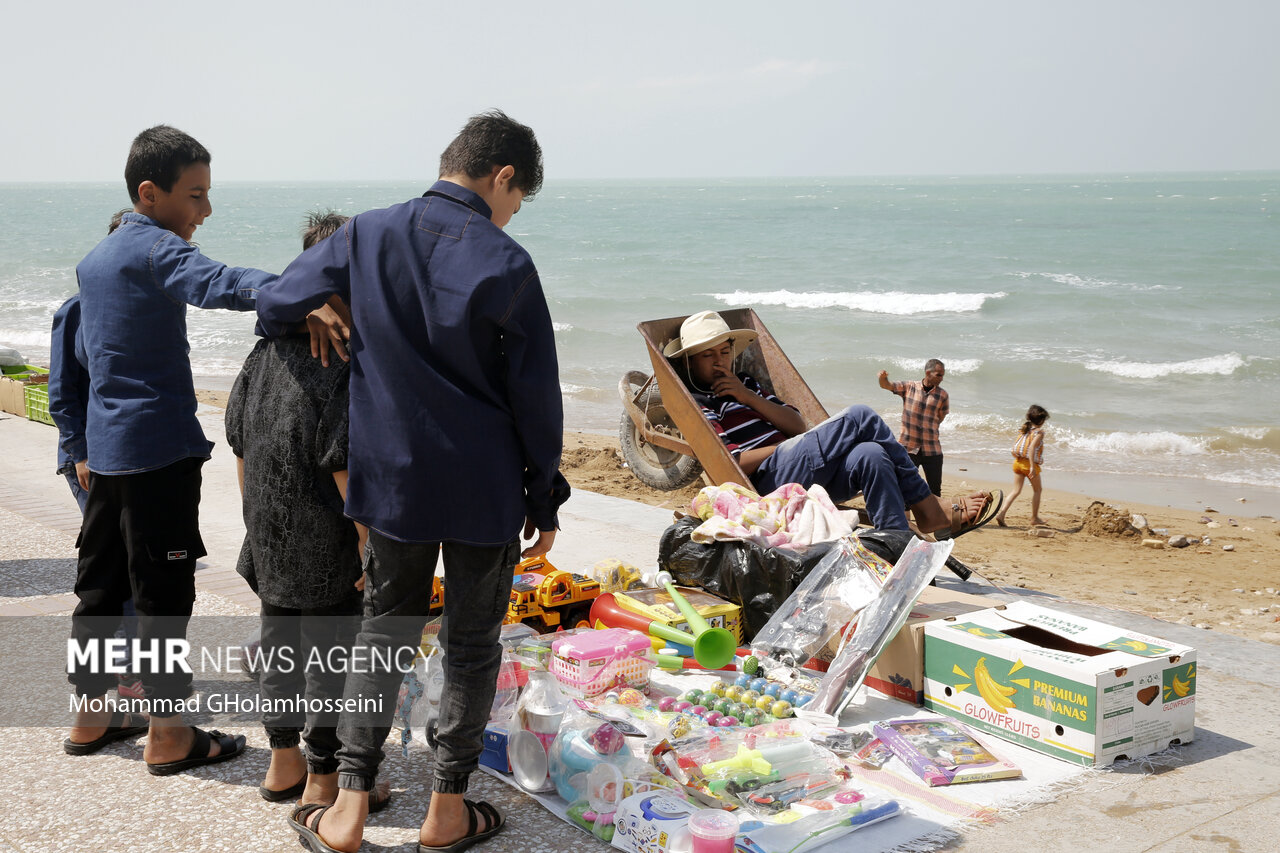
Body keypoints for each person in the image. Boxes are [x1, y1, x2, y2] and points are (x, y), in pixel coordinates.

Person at [256, 110, 569, 853]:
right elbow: (536, 398)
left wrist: (322, 304)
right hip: (483, 485)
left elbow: (272, 304)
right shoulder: (508, 262)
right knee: (470, 643)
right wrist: (544, 492)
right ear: (501, 177)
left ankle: (349, 808)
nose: (511, 213)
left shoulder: (364, 234)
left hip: (392, 480)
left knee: (383, 632)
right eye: (516, 199)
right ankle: (446, 810)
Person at [65, 125, 345, 773]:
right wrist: (306, 293)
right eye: (195, 195)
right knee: (164, 593)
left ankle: (90, 716)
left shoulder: (95, 261)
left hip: (107, 452)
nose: (205, 210)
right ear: (149, 193)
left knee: (100, 586)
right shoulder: (152, 247)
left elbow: (87, 356)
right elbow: (220, 281)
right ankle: (168, 733)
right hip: (157, 453)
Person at [226, 211, 392, 811]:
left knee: (280, 642)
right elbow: (346, 472)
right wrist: (369, 549)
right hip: (325, 539)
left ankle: (281, 760)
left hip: (266, 531)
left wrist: (253, 521)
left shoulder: (262, 354)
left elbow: (240, 443)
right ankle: (324, 777)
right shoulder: (339, 363)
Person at [665, 311, 998, 537]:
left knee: (870, 454)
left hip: (801, 464)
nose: (720, 361)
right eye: (708, 356)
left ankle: (893, 544)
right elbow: (733, 463)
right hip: (771, 480)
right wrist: (786, 449)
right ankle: (928, 508)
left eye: (724, 352)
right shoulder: (703, 405)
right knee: (861, 416)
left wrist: (747, 396)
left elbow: (797, 424)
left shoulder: (747, 386)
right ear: (690, 362)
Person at [878, 359, 948, 497]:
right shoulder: (909, 387)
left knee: (935, 491)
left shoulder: (943, 395)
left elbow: (941, 417)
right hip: (908, 448)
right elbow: (887, 385)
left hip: (932, 450)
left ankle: (934, 518)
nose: (941, 378)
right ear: (928, 373)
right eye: (939, 375)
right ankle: (906, 518)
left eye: (943, 375)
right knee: (904, 488)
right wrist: (882, 378)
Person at [996, 405, 1049, 528]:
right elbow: (1031, 449)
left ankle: (1001, 514)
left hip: (1017, 463)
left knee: (1015, 491)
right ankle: (1034, 518)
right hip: (1028, 464)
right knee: (1037, 490)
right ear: (1041, 421)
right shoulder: (1039, 433)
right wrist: (1031, 467)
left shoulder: (1025, 429)